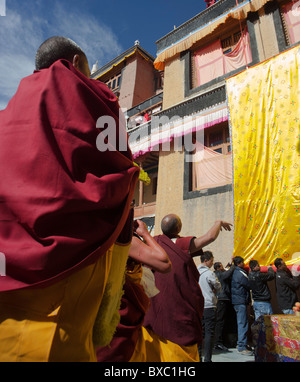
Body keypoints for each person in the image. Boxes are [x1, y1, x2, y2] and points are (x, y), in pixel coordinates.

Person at [0, 36, 140, 362]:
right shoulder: (90, 94)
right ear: (76, 64)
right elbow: (118, 168)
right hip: (64, 277)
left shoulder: (9, 112)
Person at [143, 214, 232, 362]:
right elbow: (209, 237)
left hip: (155, 307)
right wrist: (218, 222)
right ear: (179, 228)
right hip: (178, 307)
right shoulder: (181, 244)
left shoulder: (153, 244)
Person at [96, 219, 171, 362]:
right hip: (121, 308)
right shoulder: (125, 239)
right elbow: (164, 263)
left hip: (100, 304)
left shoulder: (99, 232)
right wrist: (145, 234)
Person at [198, 251, 221, 362]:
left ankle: (197, 356)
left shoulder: (195, 272)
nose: (212, 263)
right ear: (206, 260)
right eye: (211, 260)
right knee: (209, 333)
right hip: (209, 305)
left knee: (199, 332)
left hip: (198, 306)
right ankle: (207, 358)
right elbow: (217, 285)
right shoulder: (209, 274)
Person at [231, 256, 252, 355]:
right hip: (240, 301)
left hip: (239, 300)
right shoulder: (239, 274)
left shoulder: (237, 272)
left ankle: (241, 343)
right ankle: (242, 346)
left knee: (242, 322)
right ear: (239, 263)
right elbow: (248, 284)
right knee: (242, 323)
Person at [213, 260, 235, 351]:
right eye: (221, 267)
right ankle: (218, 342)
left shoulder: (216, 274)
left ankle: (220, 341)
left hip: (221, 299)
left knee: (221, 320)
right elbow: (228, 272)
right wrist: (234, 265)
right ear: (218, 268)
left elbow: (226, 269)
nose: (223, 268)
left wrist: (229, 264)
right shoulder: (220, 275)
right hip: (222, 299)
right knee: (220, 321)